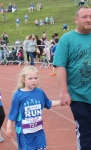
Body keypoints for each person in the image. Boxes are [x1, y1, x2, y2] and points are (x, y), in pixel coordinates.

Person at [53, 6, 91, 150]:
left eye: (90, 16)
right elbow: (60, 66)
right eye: (84, 17)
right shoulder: (67, 39)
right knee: (85, 132)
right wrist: (64, 91)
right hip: (79, 95)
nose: (89, 20)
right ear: (76, 20)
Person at [6, 66, 61, 150]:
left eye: (35, 78)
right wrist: (8, 127)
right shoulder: (18, 95)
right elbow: (12, 114)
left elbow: (48, 103)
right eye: (30, 78)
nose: (33, 80)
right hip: (24, 133)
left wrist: (61, 102)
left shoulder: (40, 92)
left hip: (38, 131)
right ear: (23, 79)